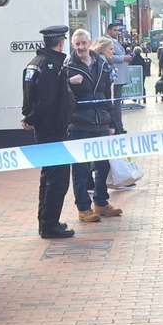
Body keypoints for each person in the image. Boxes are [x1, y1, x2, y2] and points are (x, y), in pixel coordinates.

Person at [21, 24, 77, 239]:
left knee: (48, 176)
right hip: (53, 128)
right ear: (61, 42)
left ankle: (45, 221)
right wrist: (32, 118)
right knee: (58, 178)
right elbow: (47, 100)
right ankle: (49, 225)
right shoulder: (52, 65)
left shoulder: (34, 63)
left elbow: (29, 97)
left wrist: (29, 117)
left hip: (44, 129)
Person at [66, 31, 121, 223]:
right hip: (79, 125)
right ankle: (83, 208)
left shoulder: (101, 63)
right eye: (77, 44)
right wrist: (68, 82)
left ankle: (101, 203)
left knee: (103, 165)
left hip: (101, 123)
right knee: (81, 169)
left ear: (89, 43)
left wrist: (113, 123)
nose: (80, 47)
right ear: (73, 45)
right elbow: (59, 93)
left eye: (83, 43)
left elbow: (107, 94)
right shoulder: (68, 66)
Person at [105, 23, 129, 134]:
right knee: (116, 105)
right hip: (114, 78)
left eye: (118, 30)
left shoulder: (115, 41)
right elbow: (109, 57)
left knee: (118, 104)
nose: (117, 32)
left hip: (119, 77)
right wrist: (124, 58)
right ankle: (117, 127)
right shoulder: (107, 41)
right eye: (115, 30)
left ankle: (119, 126)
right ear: (109, 30)